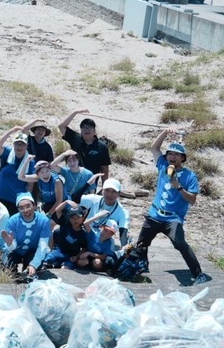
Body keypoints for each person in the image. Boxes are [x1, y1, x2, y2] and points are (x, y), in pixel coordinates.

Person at [129, 130, 210, 285]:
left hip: (173, 218)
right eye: (170, 154)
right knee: (142, 244)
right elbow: (154, 147)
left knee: (180, 243)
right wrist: (165, 132)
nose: (172, 157)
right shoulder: (163, 166)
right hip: (155, 214)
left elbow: (192, 200)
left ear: (182, 158)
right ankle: (141, 267)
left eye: (176, 154)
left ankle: (198, 274)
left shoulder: (189, 176)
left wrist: (178, 187)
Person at [0, 193, 52, 279]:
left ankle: (29, 267)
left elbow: (43, 246)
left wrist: (34, 264)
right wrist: (10, 244)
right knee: (8, 269)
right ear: (18, 209)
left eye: (28, 206)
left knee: (34, 271)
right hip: (15, 251)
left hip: (32, 251)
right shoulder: (12, 221)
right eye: (21, 208)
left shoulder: (43, 220)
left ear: (34, 206)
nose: (25, 210)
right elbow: (11, 247)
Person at [58, 108, 111, 179]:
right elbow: (61, 126)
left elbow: (104, 168)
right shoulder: (76, 138)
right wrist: (75, 112)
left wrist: (104, 184)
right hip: (73, 180)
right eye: (84, 127)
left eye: (89, 127)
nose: (86, 130)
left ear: (95, 131)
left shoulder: (102, 147)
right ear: (80, 130)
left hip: (91, 182)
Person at [0, 129, 34, 215]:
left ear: (27, 146)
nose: (19, 147)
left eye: (22, 144)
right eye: (17, 144)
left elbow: (30, 183)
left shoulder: (30, 160)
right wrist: (11, 131)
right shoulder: (8, 153)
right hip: (0, 196)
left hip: (16, 200)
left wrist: (28, 199)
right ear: (13, 145)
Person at [80, 178, 130, 246]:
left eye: (114, 191)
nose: (110, 194)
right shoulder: (93, 199)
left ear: (119, 194)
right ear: (102, 191)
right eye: (107, 190)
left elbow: (123, 233)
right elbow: (74, 198)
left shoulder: (123, 212)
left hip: (102, 241)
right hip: (84, 234)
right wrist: (87, 184)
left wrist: (125, 247)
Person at [42, 201, 89, 270]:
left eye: (78, 217)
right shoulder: (65, 223)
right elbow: (57, 211)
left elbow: (84, 247)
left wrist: (77, 256)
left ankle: (57, 265)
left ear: (83, 218)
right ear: (69, 218)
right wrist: (67, 202)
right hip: (58, 251)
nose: (75, 220)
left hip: (71, 256)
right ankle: (51, 265)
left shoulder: (83, 233)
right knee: (47, 260)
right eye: (72, 218)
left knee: (65, 268)